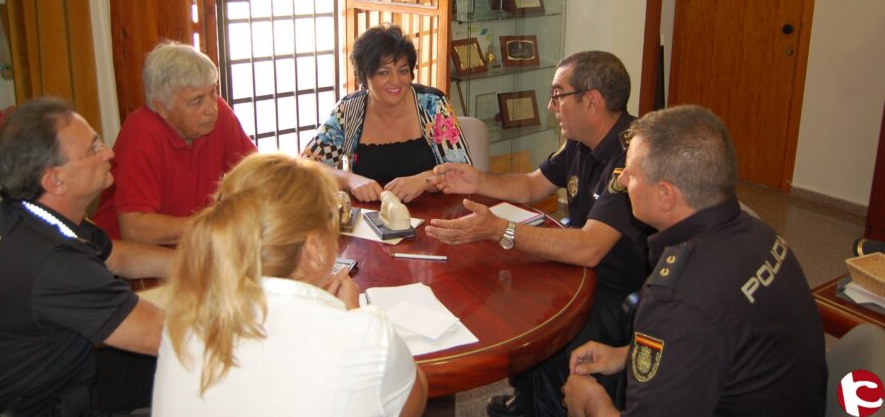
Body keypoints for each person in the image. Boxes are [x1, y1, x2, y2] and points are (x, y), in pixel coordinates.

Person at [426, 51, 651, 417]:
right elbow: (533, 185)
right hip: (581, 268)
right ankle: (527, 400)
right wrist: (477, 179)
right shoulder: (580, 140)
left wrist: (501, 229)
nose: (550, 106)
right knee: (516, 299)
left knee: (551, 332)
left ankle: (545, 408)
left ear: (591, 102)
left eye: (558, 95)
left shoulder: (633, 155)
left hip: (618, 288)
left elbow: (591, 248)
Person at [563, 105, 826, 416]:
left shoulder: (676, 299)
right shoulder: (761, 234)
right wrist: (626, 354)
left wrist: (592, 404)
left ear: (665, 196)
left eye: (630, 173)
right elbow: (720, 336)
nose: (622, 180)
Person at [0, 98, 174, 416]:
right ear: (55, 180)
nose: (109, 153)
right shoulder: (53, 262)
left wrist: (195, 264)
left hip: (39, 381)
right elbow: (164, 337)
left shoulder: (21, 213)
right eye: (94, 148)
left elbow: (115, 255)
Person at [151, 152, 428, 416]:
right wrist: (354, 315)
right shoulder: (365, 335)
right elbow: (413, 400)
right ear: (315, 247)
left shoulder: (183, 319)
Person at [92, 40, 256, 244]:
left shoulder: (219, 112)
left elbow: (254, 171)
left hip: (191, 244)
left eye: (213, 92)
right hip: (128, 261)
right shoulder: (141, 135)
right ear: (161, 107)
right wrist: (219, 224)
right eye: (196, 101)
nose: (211, 108)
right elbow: (135, 229)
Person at [303, 24, 470, 203]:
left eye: (403, 71)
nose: (396, 81)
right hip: (370, 221)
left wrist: (423, 181)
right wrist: (349, 179)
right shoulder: (349, 110)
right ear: (365, 76)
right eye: (384, 72)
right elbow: (306, 168)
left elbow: (462, 172)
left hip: (433, 217)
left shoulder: (433, 105)